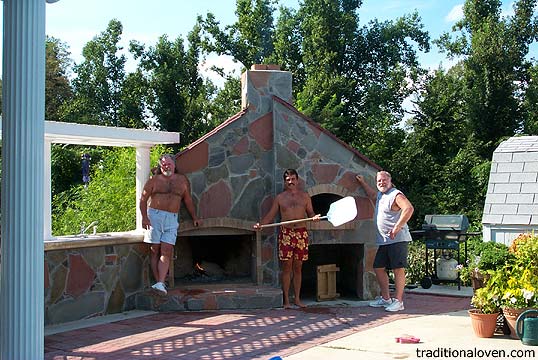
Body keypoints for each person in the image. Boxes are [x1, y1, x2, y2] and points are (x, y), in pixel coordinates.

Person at [254, 169, 321, 308]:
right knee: (286, 267)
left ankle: (297, 299)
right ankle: (286, 301)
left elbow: (311, 213)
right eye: (288, 180)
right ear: (284, 182)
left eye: (293, 179)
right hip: (286, 234)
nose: (290, 182)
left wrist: (314, 217)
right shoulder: (280, 198)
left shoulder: (305, 197)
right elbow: (271, 215)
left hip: (301, 233)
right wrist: (261, 224)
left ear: (297, 180)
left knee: (298, 267)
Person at [140, 154, 201, 295]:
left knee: (166, 250)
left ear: (174, 164)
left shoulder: (182, 181)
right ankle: (159, 282)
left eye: (168, 164)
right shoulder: (153, 180)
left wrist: (195, 217)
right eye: (163, 164)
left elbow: (188, 200)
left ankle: (160, 283)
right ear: (160, 166)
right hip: (154, 216)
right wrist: (144, 218)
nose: (166, 166)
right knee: (155, 250)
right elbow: (143, 200)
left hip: (172, 218)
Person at [356, 171, 414, 312]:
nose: (381, 182)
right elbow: (372, 195)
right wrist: (362, 182)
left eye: (384, 180)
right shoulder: (382, 195)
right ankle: (386, 298)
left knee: (398, 269)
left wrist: (397, 227)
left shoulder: (396, 194)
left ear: (390, 180)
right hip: (384, 241)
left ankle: (399, 301)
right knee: (378, 267)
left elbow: (409, 208)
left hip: (397, 239)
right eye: (379, 181)